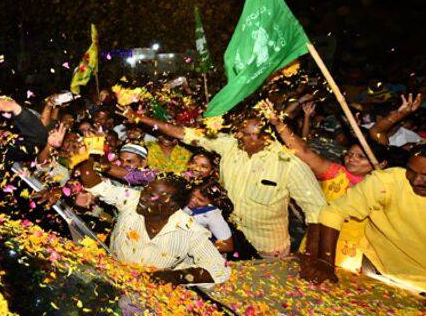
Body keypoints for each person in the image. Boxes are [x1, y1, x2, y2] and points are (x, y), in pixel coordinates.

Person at [301, 141, 426, 316]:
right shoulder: (389, 181)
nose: (415, 180)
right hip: (373, 273)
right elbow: (334, 212)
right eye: (411, 170)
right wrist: (325, 261)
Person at [125, 107, 325, 259]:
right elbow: (184, 133)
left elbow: (318, 213)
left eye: (246, 134)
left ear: (266, 135)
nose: (239, 136)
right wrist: (139, 117)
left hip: (267, 251)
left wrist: (315, 259)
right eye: (239, 131)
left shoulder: (288, 163)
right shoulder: (230, 146)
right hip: (227, 239)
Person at [262, 99, 392, 271]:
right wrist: (278, 124)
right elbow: (303, 151)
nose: (351, 158)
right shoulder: (334, 172)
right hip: (315, 246)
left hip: (350, 256)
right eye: (350, 154)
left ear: (381, 164)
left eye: (360, 156)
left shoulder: (383, 185)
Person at [75, 160, 231, 288]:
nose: (143, 197)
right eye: (145, 190)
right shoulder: (131, 200)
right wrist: (87, 157)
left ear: (172, 207)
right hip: (109, 276)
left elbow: (220, 269)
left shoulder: (190, 231)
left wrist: (175, 276)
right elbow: (94, 183)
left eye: (152, 196)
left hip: (147, 292)